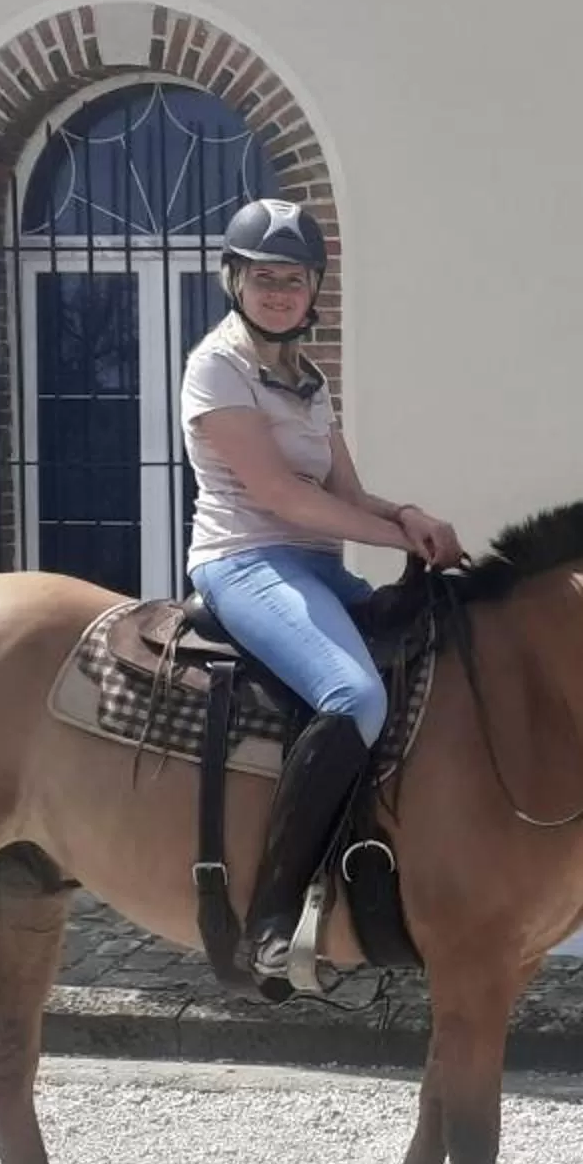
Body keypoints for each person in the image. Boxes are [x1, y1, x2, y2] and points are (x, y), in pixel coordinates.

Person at [179, 197, 465, 981]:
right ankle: (270, 919)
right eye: (265, 277)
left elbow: (348, 492)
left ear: (313, 291)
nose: (280, 292)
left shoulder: (306, 379)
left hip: (314, 567)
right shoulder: (217, 367)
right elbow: (281, 496)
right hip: (244, 561)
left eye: (295, 279)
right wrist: (397, 538)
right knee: (355, 695)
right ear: (234, 280)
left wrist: (407, 516)